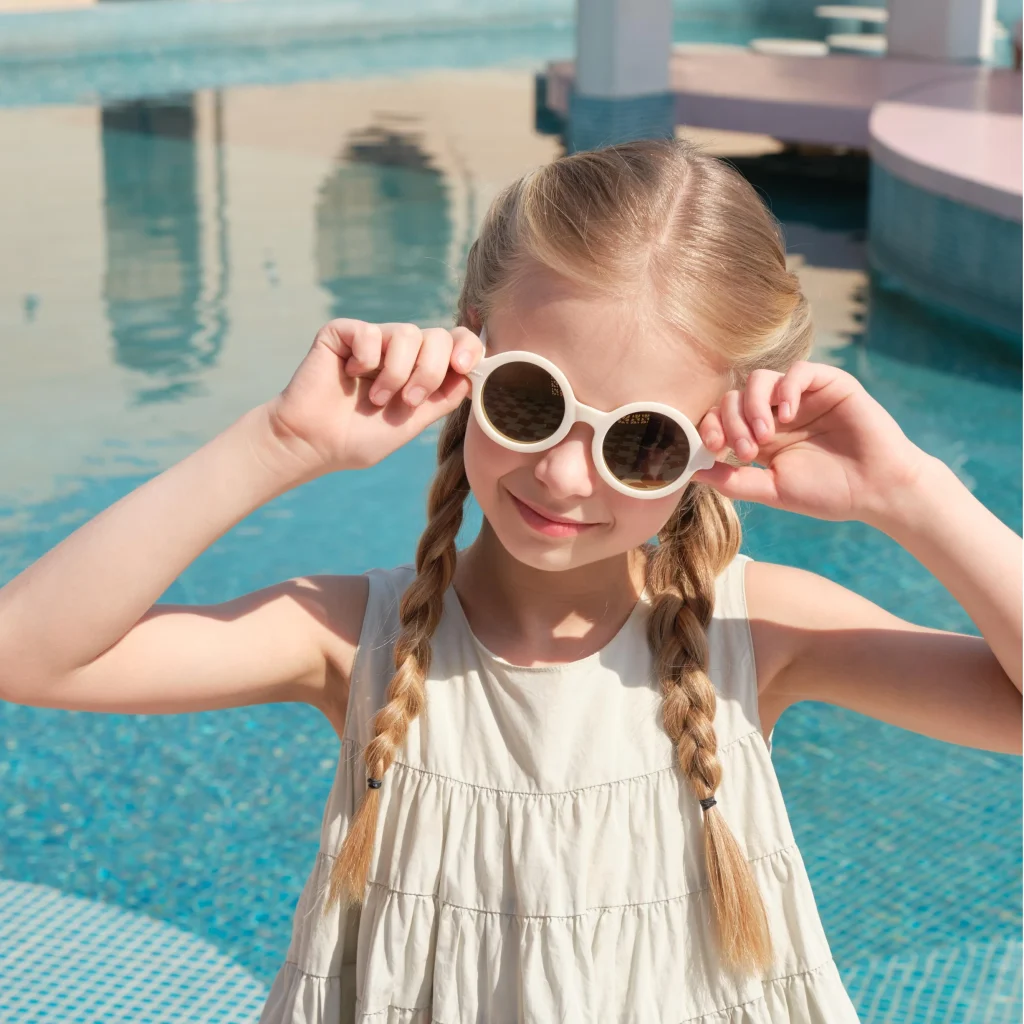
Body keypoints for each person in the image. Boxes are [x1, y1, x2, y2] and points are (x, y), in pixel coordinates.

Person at [0, 139, 1020, 1023]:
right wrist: (277, 443)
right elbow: (27, 653)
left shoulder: (752, 630)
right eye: (531, 400)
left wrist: (910, 494)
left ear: (713, 439)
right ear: (470, 337)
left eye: (643, 442)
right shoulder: (356, 638)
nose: (566, 476)